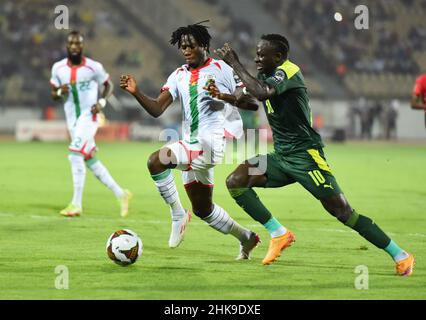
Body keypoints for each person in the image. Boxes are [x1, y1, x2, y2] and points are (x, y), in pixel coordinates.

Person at [205, 34, 415, 276]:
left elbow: (262, 93)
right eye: (257, 53)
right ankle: (278, 233)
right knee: (236, 181)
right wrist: (226, 96)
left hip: (306, 156)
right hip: (281, 155)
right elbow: (252, 101)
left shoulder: (288, 70)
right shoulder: (266, 75)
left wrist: (235, 64)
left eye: (262, 54)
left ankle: (401, 255)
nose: (257, 58)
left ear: (280, 56)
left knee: (343, 212)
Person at [119, 22, 260, 259]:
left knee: (156, 160)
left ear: (203, 45)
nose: (185, 50)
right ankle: (247, 238)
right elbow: (156, 109)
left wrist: (223, 96)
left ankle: (177, 214)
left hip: (210, 144)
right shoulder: (178, 75)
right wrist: (136, 92)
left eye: (190, 45)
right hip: (192, 145)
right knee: (204, 210)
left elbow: (251, 103)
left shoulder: (222, 69)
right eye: (182, 46)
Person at [50, 30, 132, 217]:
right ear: (67, 46)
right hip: (72, 120)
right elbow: (53, 94)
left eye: (78, 43)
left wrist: (101, 102)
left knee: (74, 154)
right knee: (90, 160)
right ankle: (121, 193)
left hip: (89, 117)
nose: (74, 47)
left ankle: (76, 204)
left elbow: (109, 85)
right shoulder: (58, 68)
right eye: (71, 43)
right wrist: (60, 92)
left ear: (82, 46)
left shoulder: (94, 67)